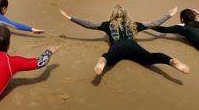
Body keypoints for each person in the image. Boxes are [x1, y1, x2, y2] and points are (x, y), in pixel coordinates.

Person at [59, 5, 188, 76]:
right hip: (132, 46)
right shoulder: (134, 25)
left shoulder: (107, 25)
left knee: (108, 57)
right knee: (149, 58)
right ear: (126, 15)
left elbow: (89, 24)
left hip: (118, 47)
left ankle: (101, 63)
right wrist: (169, 15)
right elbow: (153, 23)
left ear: (113, 15)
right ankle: (171, 61)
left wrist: (71, 17)